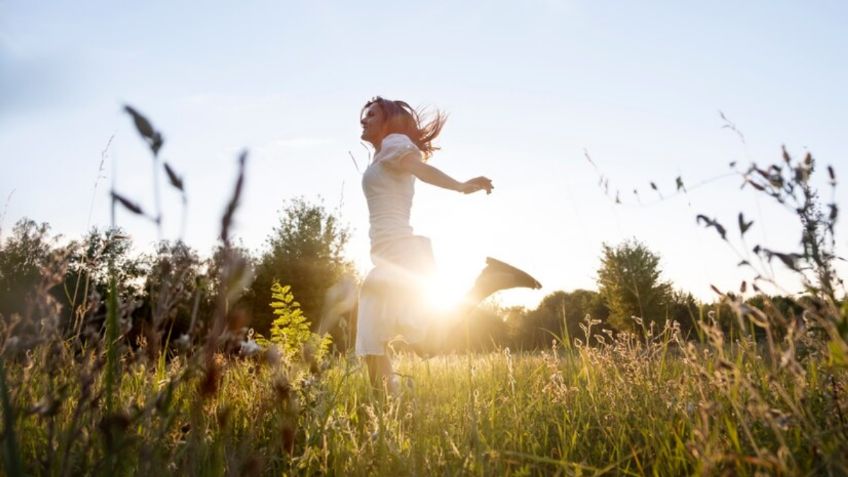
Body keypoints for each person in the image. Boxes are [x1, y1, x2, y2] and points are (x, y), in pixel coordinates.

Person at [356, 96, 541, 393]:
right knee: (371, 339)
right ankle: (388, 409)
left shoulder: (395, 144)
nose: (364, 120)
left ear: (388, 121)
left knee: (415, 342)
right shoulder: (382, 155)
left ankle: (487, 283)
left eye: (372, 115)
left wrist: (459, 186)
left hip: (400, 256)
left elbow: (420, 168)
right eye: (363, 116)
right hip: (387, 258)